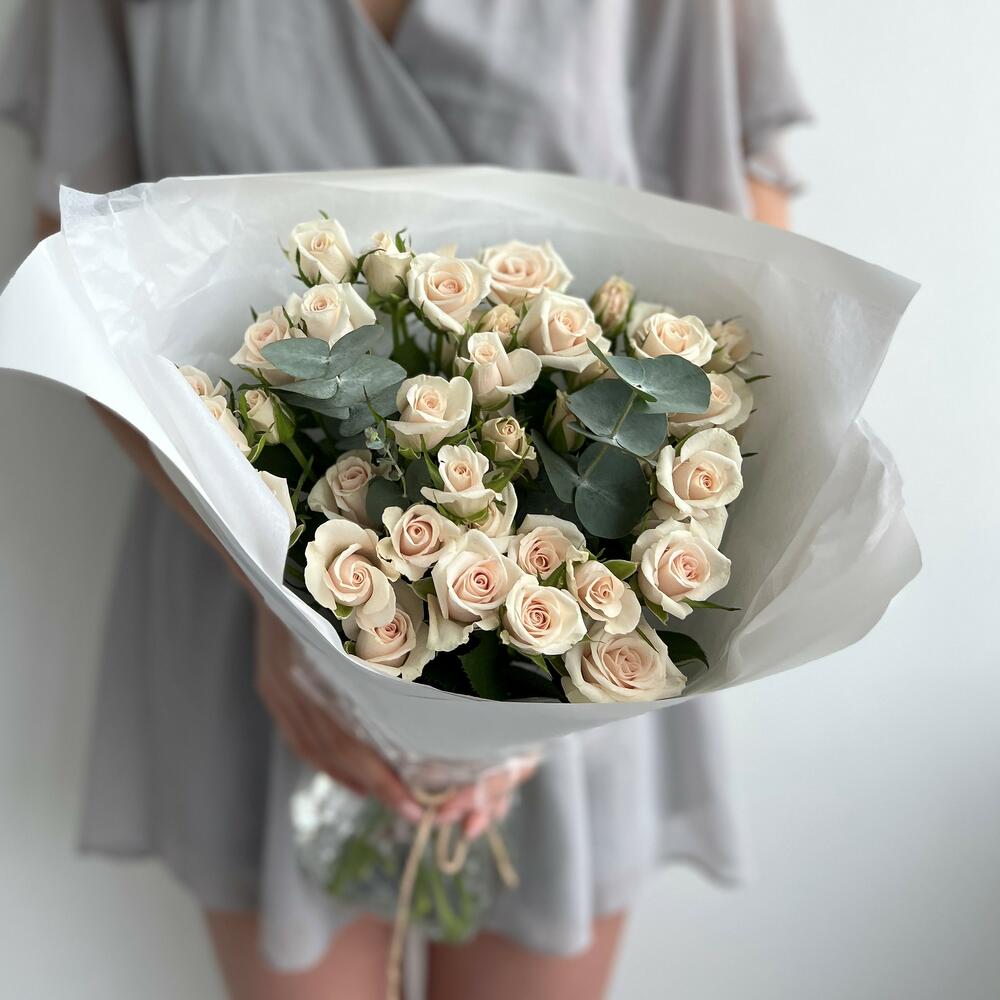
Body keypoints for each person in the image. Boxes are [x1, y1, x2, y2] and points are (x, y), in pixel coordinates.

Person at [0, 2, 808, 997]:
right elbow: (81, 275)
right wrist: (284, 595)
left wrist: (552, 650)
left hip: (571, 618)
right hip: (240, 604)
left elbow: (747, 268)